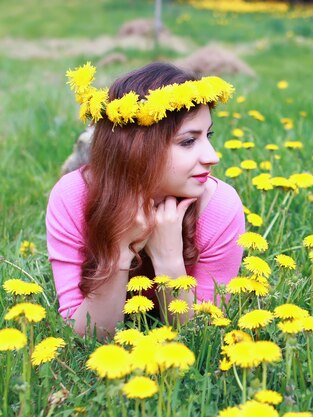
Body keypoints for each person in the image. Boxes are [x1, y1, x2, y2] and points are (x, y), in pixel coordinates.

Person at [46, 62, 245, 338]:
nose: (212, 156)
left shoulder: (220, 208)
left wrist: (169, 260)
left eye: (208, 135)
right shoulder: (71, 198)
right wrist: (118, 251)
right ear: (136, 149)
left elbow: (201, 338)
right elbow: (86, 335)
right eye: (188, 141)